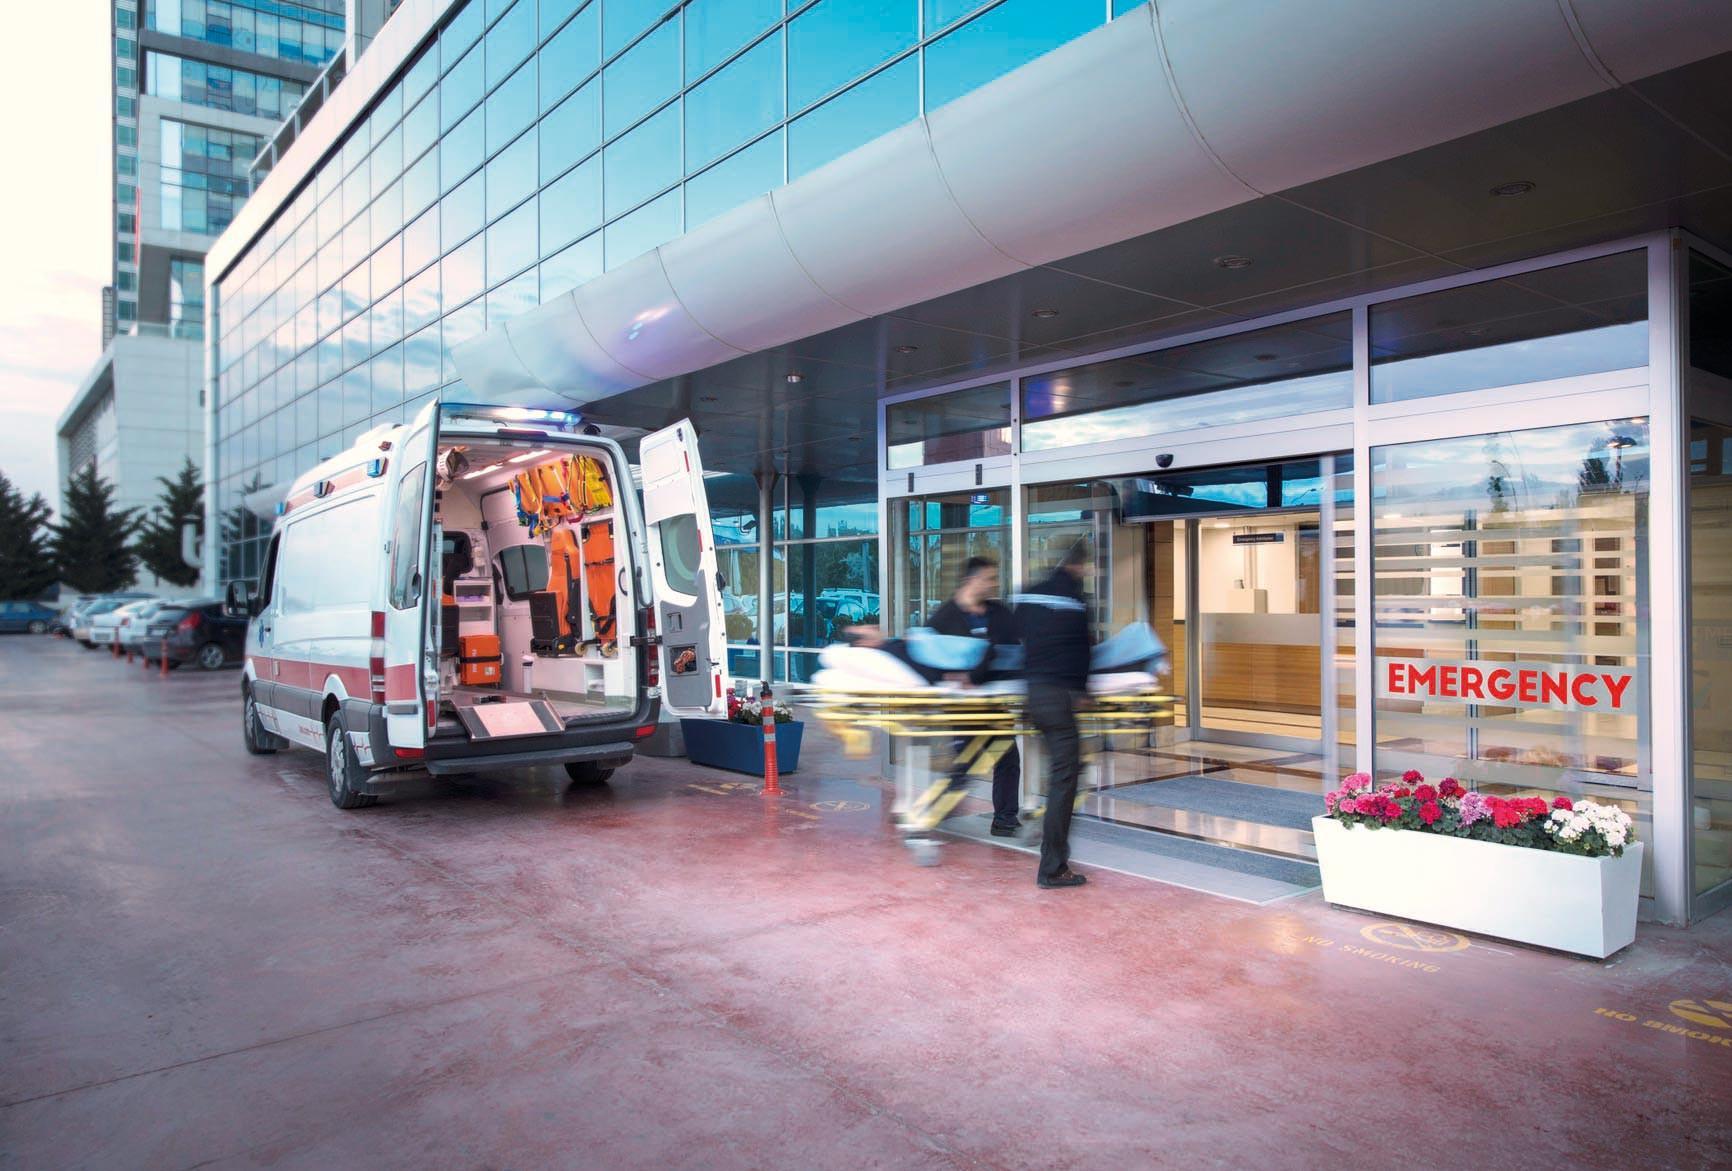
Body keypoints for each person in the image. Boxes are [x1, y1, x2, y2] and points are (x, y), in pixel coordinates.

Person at [1014, 541, 1094, 889]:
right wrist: (1083, 691)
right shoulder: (1076, 600)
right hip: (1059, 697)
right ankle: (1053, 868)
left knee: (1062, 770)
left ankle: (1041, 828)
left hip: (1033, 696)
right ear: (1078, 566)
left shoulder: (1029, 594)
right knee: (1065, 778)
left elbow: (1015, 637)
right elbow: (1083, 650)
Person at [927, 556, 1022, 836]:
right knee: (966, 762)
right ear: (972, 580)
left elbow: (1012, 649)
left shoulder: (999, 613)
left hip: (994, 702)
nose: (993, 584)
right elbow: (929, 655)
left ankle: (1005, 820)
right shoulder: (944, 617)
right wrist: (949, 676)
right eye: (989, 578)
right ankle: (934, 812)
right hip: (963, 707)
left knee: (1007, 758)